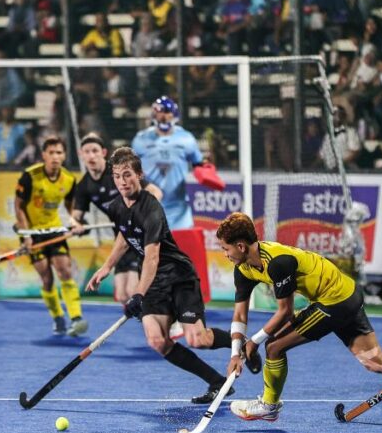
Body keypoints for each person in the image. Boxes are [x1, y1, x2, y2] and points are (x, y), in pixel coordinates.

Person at [216, 212, 382, 432]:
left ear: (240, 246)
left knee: (274, 347)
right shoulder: (244, 269)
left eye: (226, 249)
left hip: (333, 302)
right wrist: (236, 352)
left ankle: (269, 406)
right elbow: (240, 315)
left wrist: (255, 341)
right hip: (347, 294)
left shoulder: (277, 262)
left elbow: (285, 312)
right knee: (374, 359)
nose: (225, 254)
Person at [86, 148, 261, 404]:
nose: (122, 181)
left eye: (127, 174)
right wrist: (106, 267)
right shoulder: (115, 207)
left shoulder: (151, 209)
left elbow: (152, 257)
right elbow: (124, 235)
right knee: (157, 341)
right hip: (153, 281)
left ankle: (243, 344)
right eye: (117, 176)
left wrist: (138, 294)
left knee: (198, 339)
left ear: (139, 175)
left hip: (178, 276)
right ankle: (216, 381)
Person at [70, 134, 163, 304]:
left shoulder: (119, 171)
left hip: (139, 234)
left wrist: (140, 212)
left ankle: (160, 314)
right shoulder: (84, 186)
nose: (91, 156)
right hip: (121, 237)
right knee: (121, 296)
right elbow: (75, 217)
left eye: (95, 151)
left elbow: (156, 192)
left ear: (103, 152)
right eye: (87, 152)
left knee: (133, 290)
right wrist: (76, 226)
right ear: (80, 154)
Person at [14, 135, 87, 337]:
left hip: (54, 230)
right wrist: (26, 236)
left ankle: (76, 317)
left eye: (59, 153)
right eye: (51, 153)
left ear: (64, 155)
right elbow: (18, 207)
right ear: (43, 155)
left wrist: (74, 223)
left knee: (65, 271)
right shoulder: (29, 176)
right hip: (32, 232)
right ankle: (57, 317)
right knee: (46, 278)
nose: (55, 157)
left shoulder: (69, 179)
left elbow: (71, 207)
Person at [131, 96, 205, 230]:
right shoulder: (140, 140)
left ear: (174, 115)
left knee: (182, 243)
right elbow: (131, 170)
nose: (163, 117)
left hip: (179, 210)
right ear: (154, 115)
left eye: (167, 113)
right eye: (160, 113)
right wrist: (143, 186)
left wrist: (206, 172)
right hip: (150, 206)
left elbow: (199, 165)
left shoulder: (186, 138)